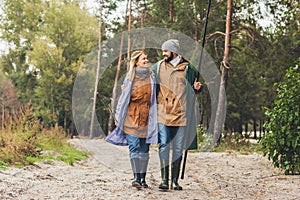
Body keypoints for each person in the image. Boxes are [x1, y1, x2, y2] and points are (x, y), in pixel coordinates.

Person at [152, 39, 201, 190]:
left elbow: (194, 88)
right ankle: (164, 181)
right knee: (164, 145)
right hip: (163, 113)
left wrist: (197, 88)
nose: (163, 54)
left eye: (166, 51)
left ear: (174, 52)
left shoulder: (188, 68)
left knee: (178, 148)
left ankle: (175, 181)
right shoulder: (158, 67)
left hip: (181, 114)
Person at [106, 50, 158, 189]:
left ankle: (143, 178)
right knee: (134, 148)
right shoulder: (130, 78)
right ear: (136, 62)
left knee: (144, 150)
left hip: (147, 119)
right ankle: (136, 177)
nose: (146, 61)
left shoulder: (152, 77)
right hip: (131, 119)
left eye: (147, 58)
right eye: (143, 59)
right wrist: (118, 117)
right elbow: (123, 100)